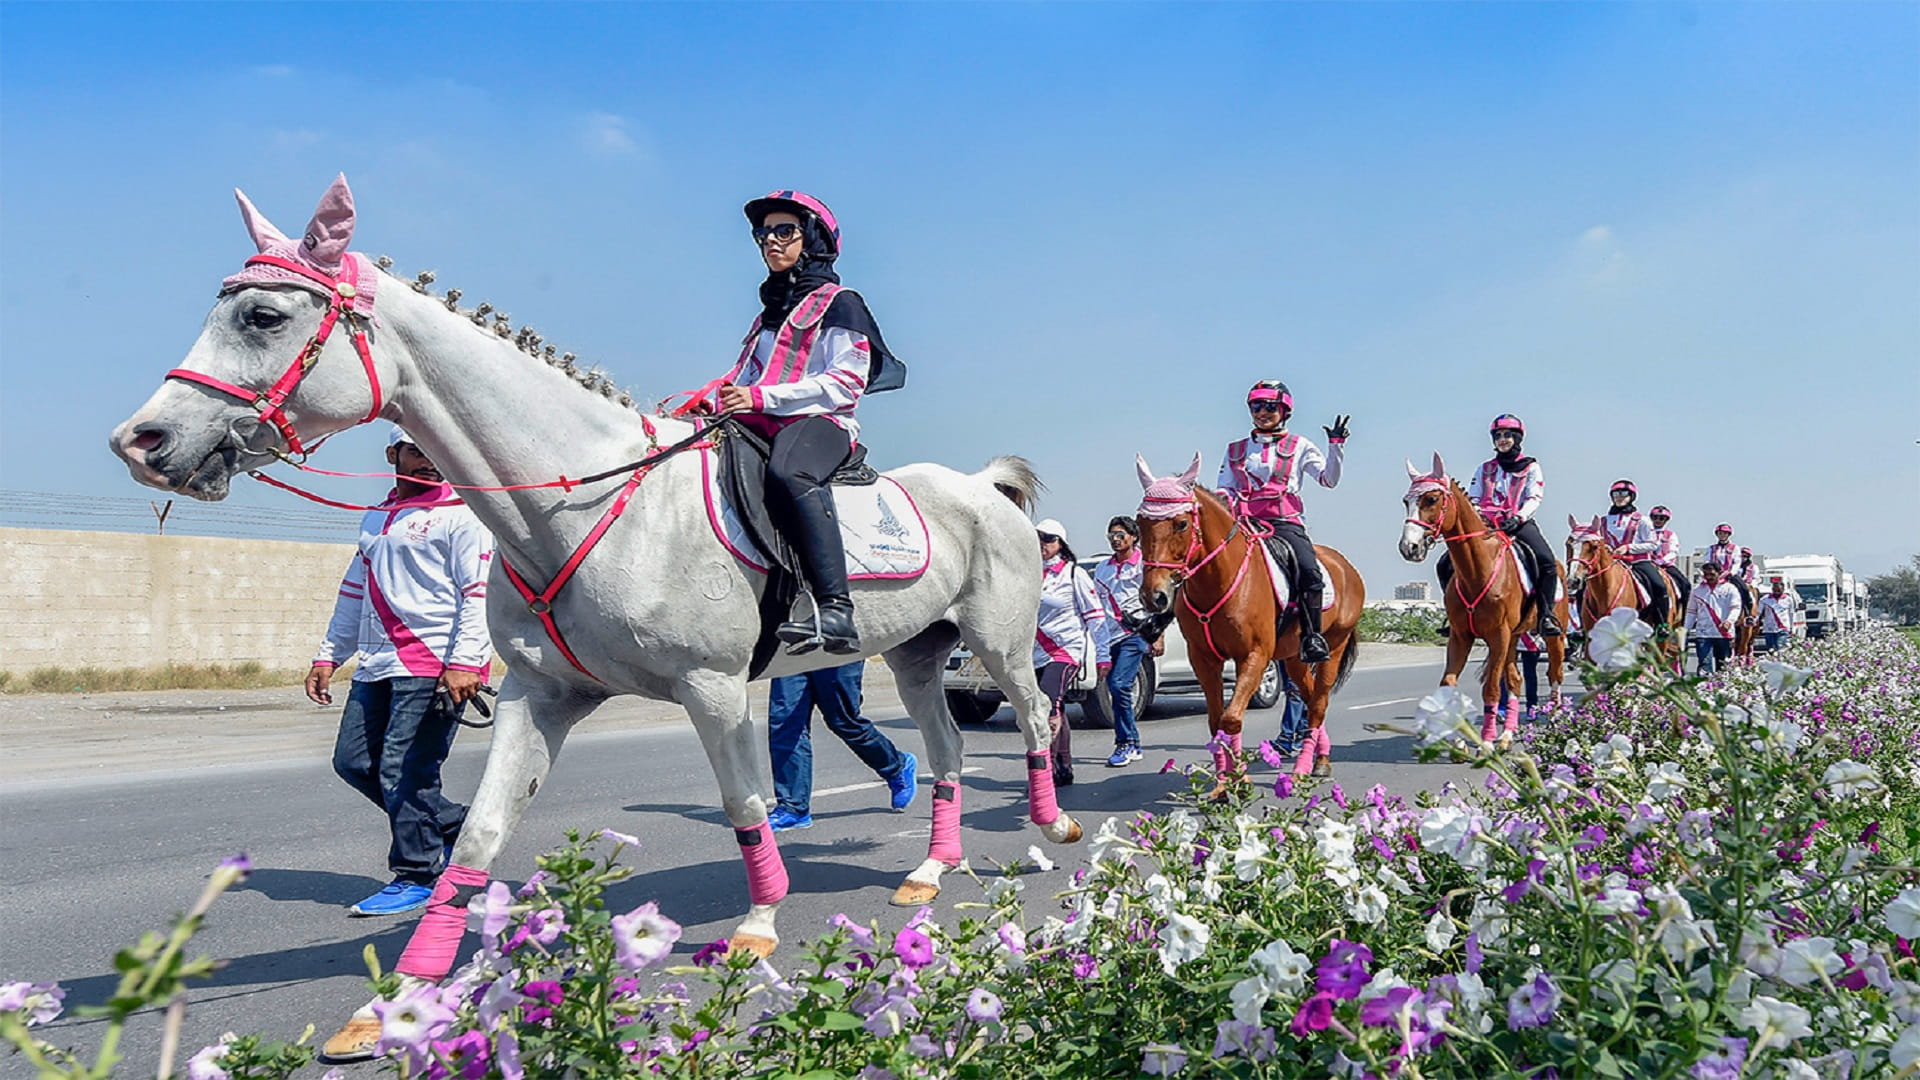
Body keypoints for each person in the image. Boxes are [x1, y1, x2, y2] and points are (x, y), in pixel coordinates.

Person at [702, 191, 904, 657]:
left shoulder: (841, 302)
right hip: (763, 419)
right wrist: (711, 400)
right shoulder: (766, 314)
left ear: (812, 240)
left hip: (821, 422)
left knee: (788, 473)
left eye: (783, 231)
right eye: (763, 233)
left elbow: (844, 384)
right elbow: (744, 377)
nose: (770, 241)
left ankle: (836, 608)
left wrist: (759, 397)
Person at [306, 427, 494, 916]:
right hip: (377, 663)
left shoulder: (463, 516)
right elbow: (355, 591)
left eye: (437, 451)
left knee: (406, 769)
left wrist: (464, 662)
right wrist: (329, 654)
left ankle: (419, 871)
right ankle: (454, 826)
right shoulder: (377, 518)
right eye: (416, 452)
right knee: (354, 763)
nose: (429, 462)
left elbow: (480, 593)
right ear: (393, 454)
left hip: (434, 664)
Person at [1215, 380, 1349, 661]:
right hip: (1245, 523)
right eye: (1256, 406)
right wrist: (1222, 502)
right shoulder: (1234, 449)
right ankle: (1161, 624)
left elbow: (1329, 480)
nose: (1262, 412)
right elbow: (1224, 488)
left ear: (1284, 411)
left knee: (1309, 570)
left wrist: (1335, 447)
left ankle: (1312, 636)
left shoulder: (1300, 446)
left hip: (1284, 523)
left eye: (1270, 407)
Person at [764, 660, 918, 832]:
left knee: (843, 721)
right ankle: (793, 808)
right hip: (792, 648)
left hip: (836, 645)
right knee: (785, 725)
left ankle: (896, 766)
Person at [1462, 414, 1562, 636]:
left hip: (1517, 523)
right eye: (1498, 435)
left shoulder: (1531, 467)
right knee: (1445, 563)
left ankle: (1545, 616)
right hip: (1487, 526)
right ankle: (1454, 616)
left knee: (1547, 562)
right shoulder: (1483, 469)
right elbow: (1474, 499)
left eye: (1508, 435)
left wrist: (1518, 518)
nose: (1502, 439)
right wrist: (1479, 516)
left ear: (1517, 438)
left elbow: (1534, 497)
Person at [1033, 520, 1111, 786]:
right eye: (1038, 537)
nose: (1043, 543)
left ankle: (1044, 768)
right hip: (1035, 653)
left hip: (1065, 650)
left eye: (1049, 538)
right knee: (1054, 706)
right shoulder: (1028, 573)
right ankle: (1063, 764)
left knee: (1048, 702)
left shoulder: (1073, 574)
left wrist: (1103, 655)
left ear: (1061, 544)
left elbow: (1096, 617)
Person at [1090, 516, 1161, 767]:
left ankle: (1127, 742)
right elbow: (1096, 604)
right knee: (1115, 686)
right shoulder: (1102, 568)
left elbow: (1157, 600)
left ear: (1133, 537)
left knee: (1120, 684)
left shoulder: (1144, 564)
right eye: (1112, 536)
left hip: (1135, 634)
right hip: (1110, 636)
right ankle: (1132, 743)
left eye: (1121, 535)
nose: (1116, 540)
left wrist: (1157, 635)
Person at [1599, 479, 1671, 616]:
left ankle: (1661, 624)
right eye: (1616, 494)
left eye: (1624, 493)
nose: (1619, 496)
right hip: (1611, 563)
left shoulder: (1642, 520)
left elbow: (1653, 544)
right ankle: (1581, 627)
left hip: (1637, 562)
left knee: (1659, 586)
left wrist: (1629, 548)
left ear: (1631, 497)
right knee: (1583, 588)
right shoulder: (1603, 521)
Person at [1686, 562, 1741, 675]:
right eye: (1705, 574)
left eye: (1711, 574)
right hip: (1703, 634)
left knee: (1724, 667)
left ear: (1719, 573)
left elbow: (1735, 608)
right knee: (1704, 666)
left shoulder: (1730, 588)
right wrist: (1685, 630)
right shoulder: (1697, 590)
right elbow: (1691, 612)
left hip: (1723, 634)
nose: (1708, 577)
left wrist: (1729, 621)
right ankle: (1705, 690)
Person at [1647, 505, 1690, 608]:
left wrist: (1661, 561)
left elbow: (1673, 552)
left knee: (1685, 584)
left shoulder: (1670, 535)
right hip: (1647, 564)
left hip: (1666, 566)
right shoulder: (1645, 533)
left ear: (1666, 520)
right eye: (1655, 517)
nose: (1658, 520)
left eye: (1661, 518)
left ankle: (1686, 615)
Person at [1758, 578, 1796, 652]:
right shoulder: (1765, 600)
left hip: (1783, 628)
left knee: (1780, 646)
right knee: (1771, 649)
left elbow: (1791, 614)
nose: (1777, 592)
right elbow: (1758, 612)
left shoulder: (1788, 599)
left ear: (1783, 589)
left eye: (1779, 590)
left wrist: (1792, 628)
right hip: (1769, 628)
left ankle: (1780, 661)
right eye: (1775, 590)